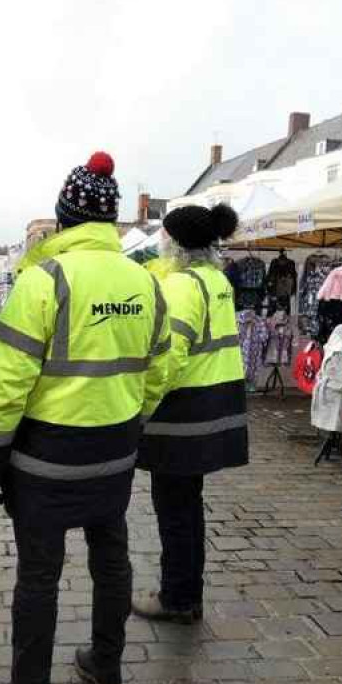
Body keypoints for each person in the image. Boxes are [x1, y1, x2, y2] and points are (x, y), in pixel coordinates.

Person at [0, 152, 174, 684]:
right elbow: (160, 368)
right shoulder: (145, 283)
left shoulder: (44, 281)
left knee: (39, 573)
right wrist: (134, 419)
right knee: (111, 559)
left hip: (44, 459)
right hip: (113, 454)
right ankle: (106, 670)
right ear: (109, 222)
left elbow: (8, 379)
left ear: (64, 217)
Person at [133, 204, 249, 624]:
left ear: (176, 243)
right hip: (216, 401)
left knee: (175, 509)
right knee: (188, 506)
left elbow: (169, 357)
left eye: (164, 236)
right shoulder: (216, 279)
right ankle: (188, 593)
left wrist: (141, 409)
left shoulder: (182, 286)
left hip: (185, 410)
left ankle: (177, 598)